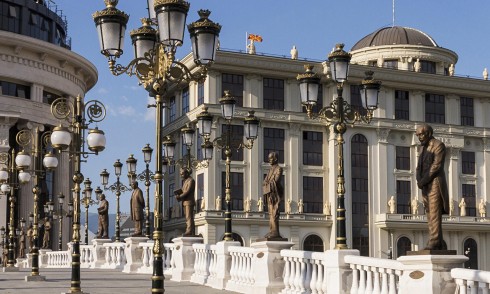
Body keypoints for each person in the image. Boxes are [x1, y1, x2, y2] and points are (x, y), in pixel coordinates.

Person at [416, 124, 449, 250]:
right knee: (429, 213)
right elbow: (419, 167)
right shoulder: (423, 148)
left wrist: (423, 181)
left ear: (429, 133)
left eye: (421, 134)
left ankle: (435, 241)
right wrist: (419, 180)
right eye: (418, 135)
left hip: (435, 183)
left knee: (434, 212)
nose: (419, 137)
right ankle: (439, 242)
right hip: (425, 185)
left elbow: (436, 166)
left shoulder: (438, 145)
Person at [262, 152, 284, 238]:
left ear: (275, 159)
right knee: (270, 213)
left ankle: (275, 232)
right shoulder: (270, 170)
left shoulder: (279, 168)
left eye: (270, 158)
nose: (269, 160)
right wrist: (266, 184)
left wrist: (267, 184)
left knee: (275, 213)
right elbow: (265, 181)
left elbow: (276, 180)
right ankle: (272, 231)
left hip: (275, 194)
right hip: (270, 194)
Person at [175, 168, 196, 237]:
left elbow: (188, 191)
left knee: (189, 217)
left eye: (182, 174)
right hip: (185, 202)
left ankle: (189, 231)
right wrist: (178, 193)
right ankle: (190, 230)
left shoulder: (191, 181)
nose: (181, 175)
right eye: (181, 174)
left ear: (187, 173)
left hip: (189, 202)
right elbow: (183, 190)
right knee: (187, 217)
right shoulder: (185, 181)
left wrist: (180, 196)